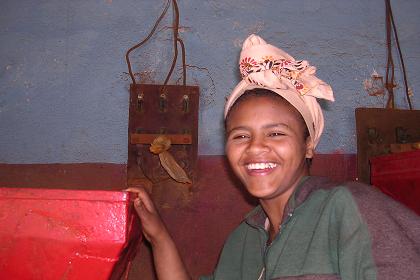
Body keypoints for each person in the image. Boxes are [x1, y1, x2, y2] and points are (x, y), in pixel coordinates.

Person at [126, 34, 420, 280]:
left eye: (276, 133)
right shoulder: (245, 240)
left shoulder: (348, 208)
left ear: (308, 145)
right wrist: (158, 236)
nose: (255, 147)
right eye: (240, 136)